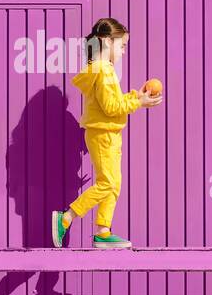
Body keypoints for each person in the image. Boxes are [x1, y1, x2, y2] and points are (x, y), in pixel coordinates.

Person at [51, 17, 162, 249]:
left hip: (108, 133)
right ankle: (66, 217)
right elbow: (112, 108)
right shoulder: (103, 71)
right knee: (107, 183)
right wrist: (139, 102)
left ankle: (103, 230)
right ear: (107, 42)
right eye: (122, 46)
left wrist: (135, 97)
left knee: (114, 183)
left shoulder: (102, 69)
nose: (123, 51)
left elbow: (112, 103)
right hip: (104, 135)